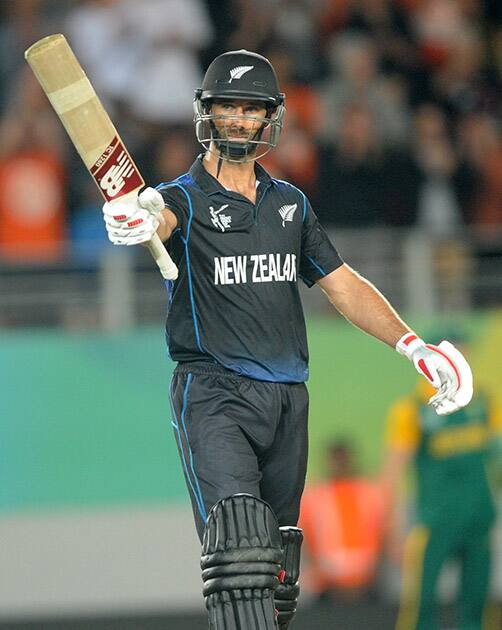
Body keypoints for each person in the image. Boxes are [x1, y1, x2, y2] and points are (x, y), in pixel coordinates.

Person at [101, 50, 474, 630]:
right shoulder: (182, 200)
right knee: (237, 555)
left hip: (287, 398)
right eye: (229, 105)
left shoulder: (289, 205)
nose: (240, 120)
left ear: (270, 118)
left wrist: (413, 346)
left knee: (275, 576)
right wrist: (143, 219)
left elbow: (343, 284)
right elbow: (158, 217)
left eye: (252, 109)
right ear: (207, 112)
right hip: (213, 393)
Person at [381, 330, 502, 630]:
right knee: (421, 608)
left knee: (477, 608)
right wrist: (392, 526)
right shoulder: (413, 409)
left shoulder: (483, 402)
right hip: (434, 522)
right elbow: (393, 470)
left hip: (478, 519)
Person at [299, 440, 385, 602]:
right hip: (326, 584)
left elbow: (383, 535)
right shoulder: (316, 497)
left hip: (367, 581)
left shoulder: (368, 494)